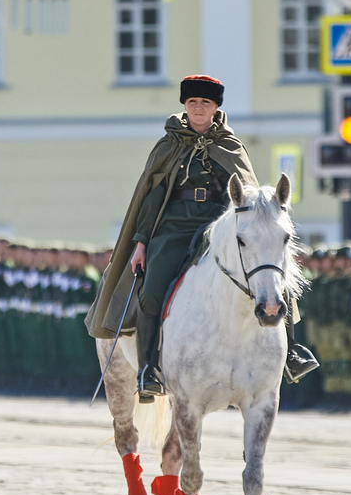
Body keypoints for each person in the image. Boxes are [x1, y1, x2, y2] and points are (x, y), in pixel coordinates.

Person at [85, 75, 257, 400]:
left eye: (204, 103)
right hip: (173, 227)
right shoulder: (169, 144)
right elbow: (151, 198)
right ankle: (148, 370)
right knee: (150, 293)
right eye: (192, 103)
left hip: (216, 227)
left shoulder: (230, 145)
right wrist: (141, 243)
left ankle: (290, 353)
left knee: (263, 272)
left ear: (215, 107)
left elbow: (245, 192)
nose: (198, 108)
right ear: (184, 105)